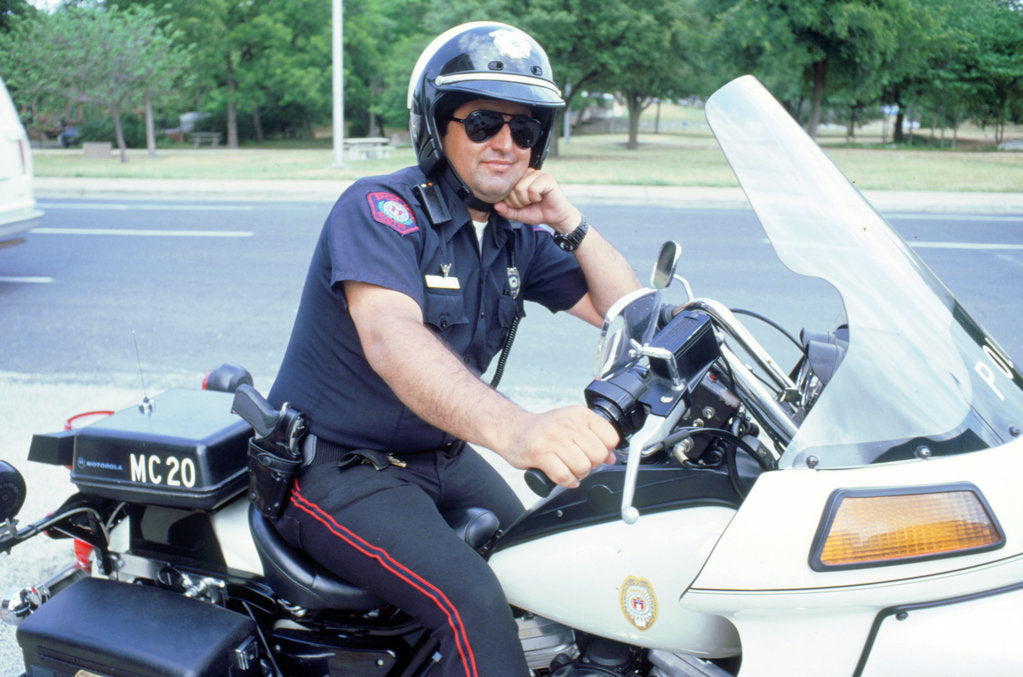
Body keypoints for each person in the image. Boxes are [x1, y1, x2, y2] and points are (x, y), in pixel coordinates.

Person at [268, 21, 640, 676]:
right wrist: (517, 429)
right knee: (473, 598)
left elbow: (624, 312)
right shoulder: (380, 210)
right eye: (483, 123)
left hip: (436, 454)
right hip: (335, 466)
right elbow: (392, 337)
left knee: (549, 559)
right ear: (438, 127)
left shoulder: (513, 233)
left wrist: (567, 219)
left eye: (523, 130)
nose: (505, 144)